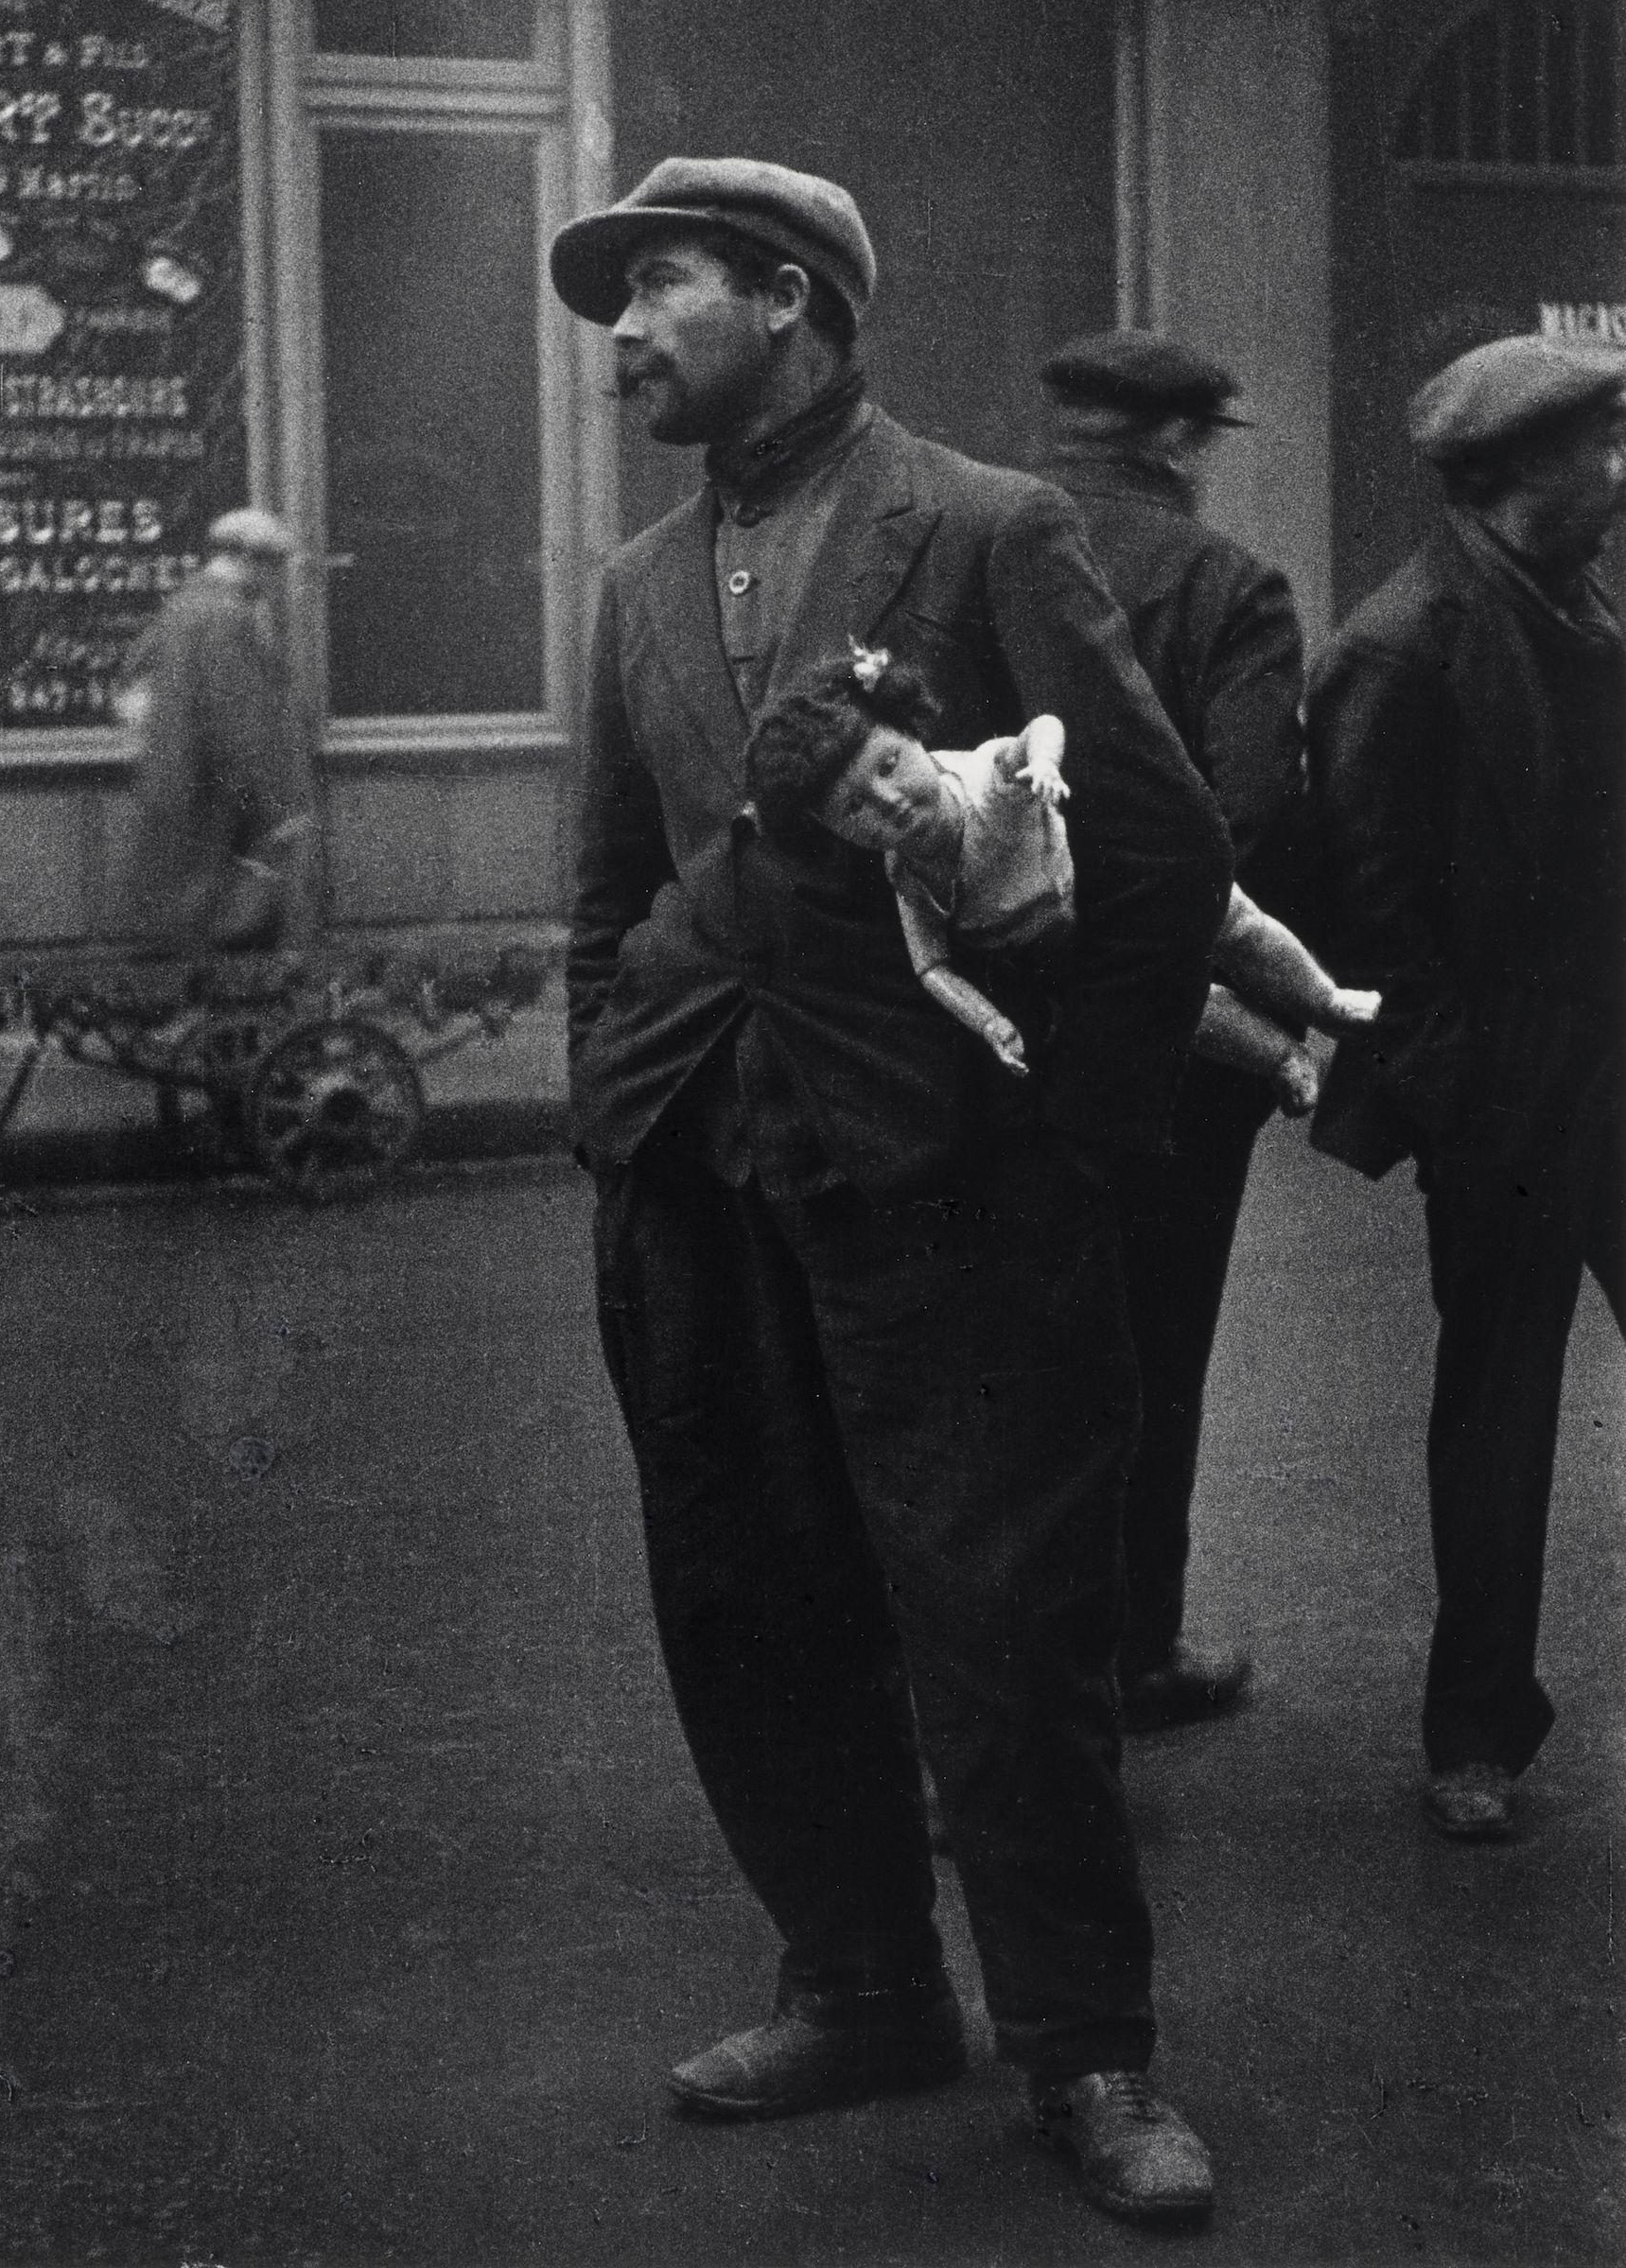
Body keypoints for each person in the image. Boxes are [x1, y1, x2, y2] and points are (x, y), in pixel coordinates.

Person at [556, 155, 1233, 2225]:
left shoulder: (986, 529)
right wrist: (611, 1090)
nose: (624, 336)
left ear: (788, 299)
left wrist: (1066, 1134)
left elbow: (1164, 862)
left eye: (660, 289)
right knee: (749, 1601)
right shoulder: (639, 582)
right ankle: (857, 1983)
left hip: (949, 1182)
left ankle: (1087, 2056)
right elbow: (605, 890)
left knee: (1004, 1627)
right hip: (700, 1169)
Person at [1307, 335, 1625, 1843]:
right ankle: (1474, 1731)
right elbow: (1368, 918)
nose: (1621, 476)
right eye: (1598, 453)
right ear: (1509, 478)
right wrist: (1459, 1097)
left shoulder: (1582, 607)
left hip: (1617, 1055)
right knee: (1497, 1409)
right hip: (1507, 1083)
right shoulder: (1401, 644)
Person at [1030, 331, 1310, 1729]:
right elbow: (1245, 813)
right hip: (1166, 1042)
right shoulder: (1226, 589)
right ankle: (1134, 1652)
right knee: (1154, 1347)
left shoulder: (959, 549)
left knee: (992, 1356)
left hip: (977, 1026)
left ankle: (983, 1676)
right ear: (1181, 442)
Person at [746, 641, 1375, 1111]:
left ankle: (1323, 999)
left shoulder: (988, 778)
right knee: (1178, 1009)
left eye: (888, 763)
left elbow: (1040, 727)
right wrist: (989, 1023)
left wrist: (1043, 766)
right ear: (829, 831)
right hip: (1065, 945)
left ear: (912, 732)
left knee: (1233, 926)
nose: (886, 801)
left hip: (1112, 876)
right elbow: (932, 968)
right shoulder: (907, 876)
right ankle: (1282, 1057)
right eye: (852, 808)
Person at [114, 507, 322, 955]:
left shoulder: (184, 604)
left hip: (182, 792)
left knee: (192, 928)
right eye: (276, 565)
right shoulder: (226, 617)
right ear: (252, 560)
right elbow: (238, 723)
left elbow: (133, 680)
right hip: (221, 805)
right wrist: (271, 809)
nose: (279, 579)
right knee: (234, 936)